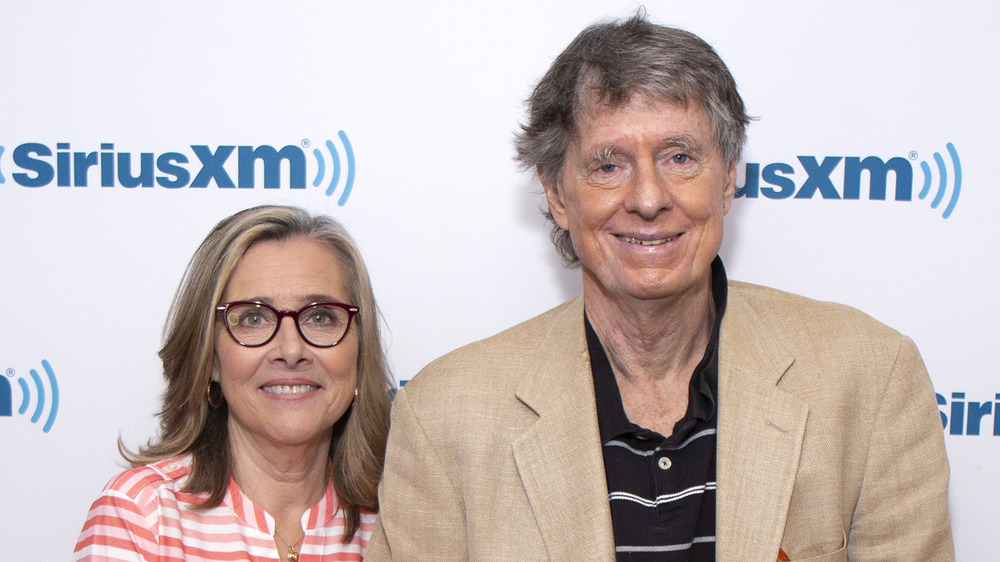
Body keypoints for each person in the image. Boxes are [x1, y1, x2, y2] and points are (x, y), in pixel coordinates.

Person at [367, 12, 953, 562]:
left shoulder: (871, 377)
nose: (648, 199)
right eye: (608, 164)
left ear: (727, 178)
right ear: (555, 192)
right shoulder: (444, 416)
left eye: (679, 157)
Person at [74, 205, 392, 561]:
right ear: (209, 355)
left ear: (360, 350)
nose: (291, 349)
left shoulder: (397, 518)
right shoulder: (143, 515)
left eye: (321, 316)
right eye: (253, 318)